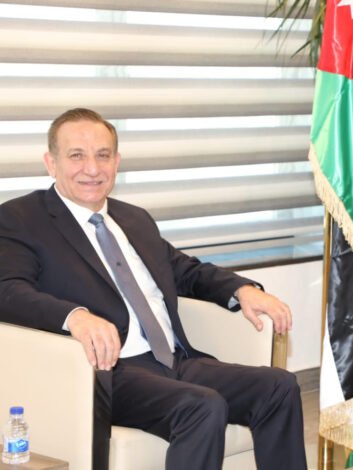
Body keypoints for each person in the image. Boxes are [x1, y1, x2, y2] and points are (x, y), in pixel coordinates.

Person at [0, 108, 307, 470]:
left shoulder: (134, 218)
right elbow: (8, 291)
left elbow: (185, 271)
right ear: (51, 163)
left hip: (174, 360)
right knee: (202, 406)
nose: (92, 168)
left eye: (103, 155)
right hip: (107, 371)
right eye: (77, 156)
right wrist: (75, 317)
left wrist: (241, 290)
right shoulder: (22, 219)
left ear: (117, 162)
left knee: (279, 386)